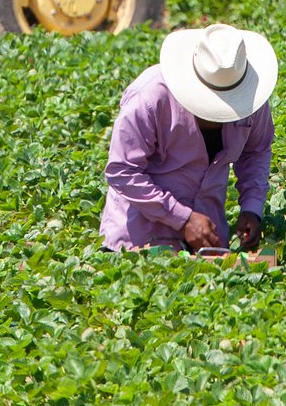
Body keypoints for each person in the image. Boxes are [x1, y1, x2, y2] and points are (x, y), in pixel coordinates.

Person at [102, 24, 276, 253]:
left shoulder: (251, 100)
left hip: (209, 242)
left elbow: (257, 151)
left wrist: (252, 208)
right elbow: (122, 171)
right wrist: (182, 218)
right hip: (139, 243)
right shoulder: (150, 97)